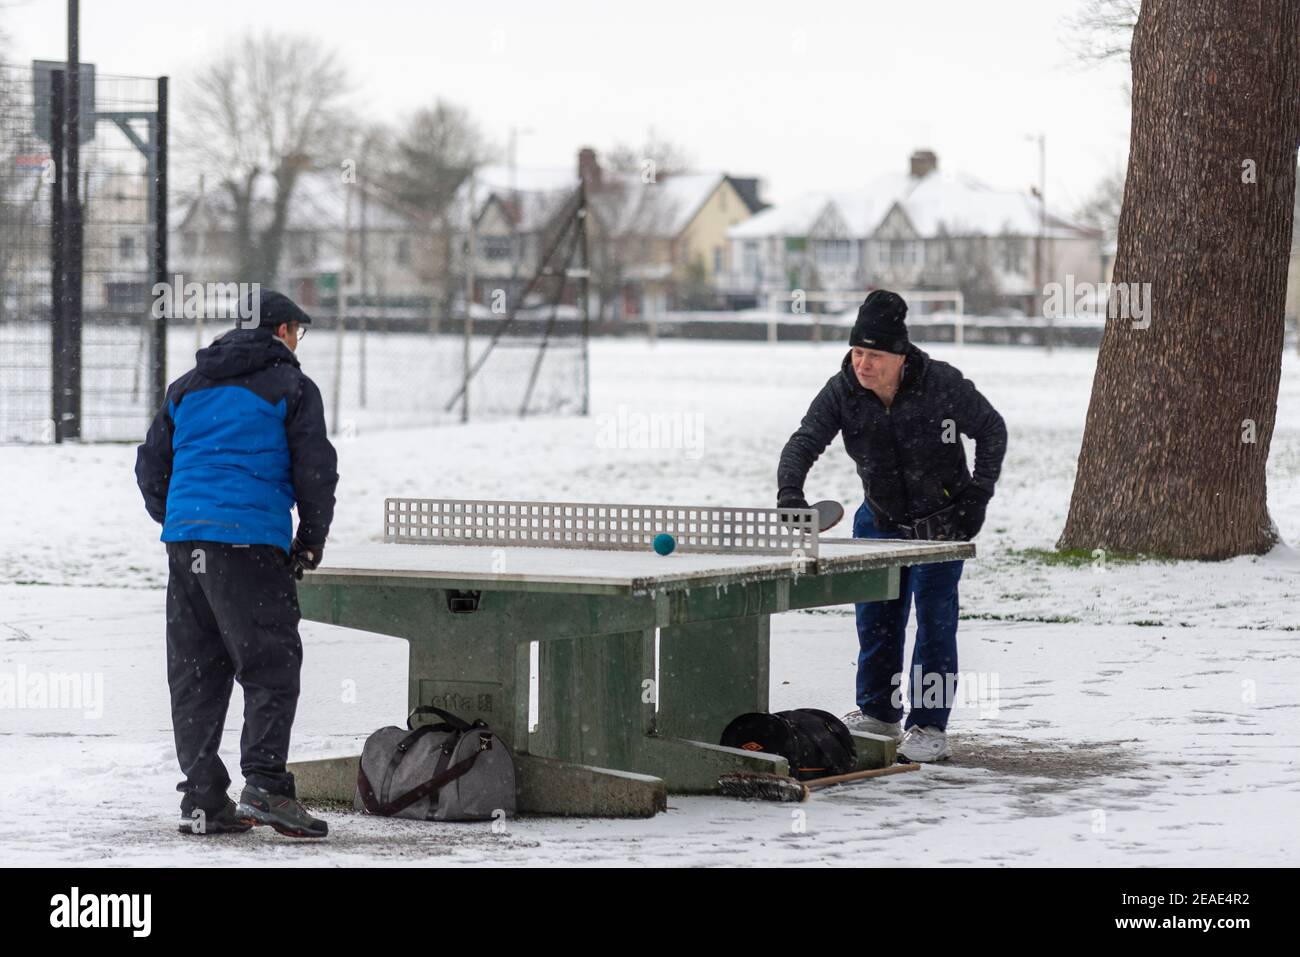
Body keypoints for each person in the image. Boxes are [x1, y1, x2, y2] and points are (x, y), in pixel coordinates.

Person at [135, 290, 338, 836]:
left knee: (196, 671)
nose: (298, 342)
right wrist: (310, 541)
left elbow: (151, 465)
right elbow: (315, 472)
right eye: (297, 331)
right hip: (249, 545)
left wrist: (181, 521)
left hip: (187, 547)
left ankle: (203, 800)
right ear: (279, 331)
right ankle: (267, 786)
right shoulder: (292, 387)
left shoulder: (188, 386)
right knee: (270, 665)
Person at [777, 290, 1006, 762]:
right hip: (878, 518)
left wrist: (976, 499)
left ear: (899, 356)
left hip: (939, 526)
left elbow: (991, 429)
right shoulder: (842, 389)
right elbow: (804, 442)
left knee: (934, 626)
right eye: (857, 352)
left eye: (874, 355)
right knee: (877, 620)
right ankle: (880, 711)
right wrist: (790, 498)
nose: (863, 364)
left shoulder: (940, 384)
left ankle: (928, 725)